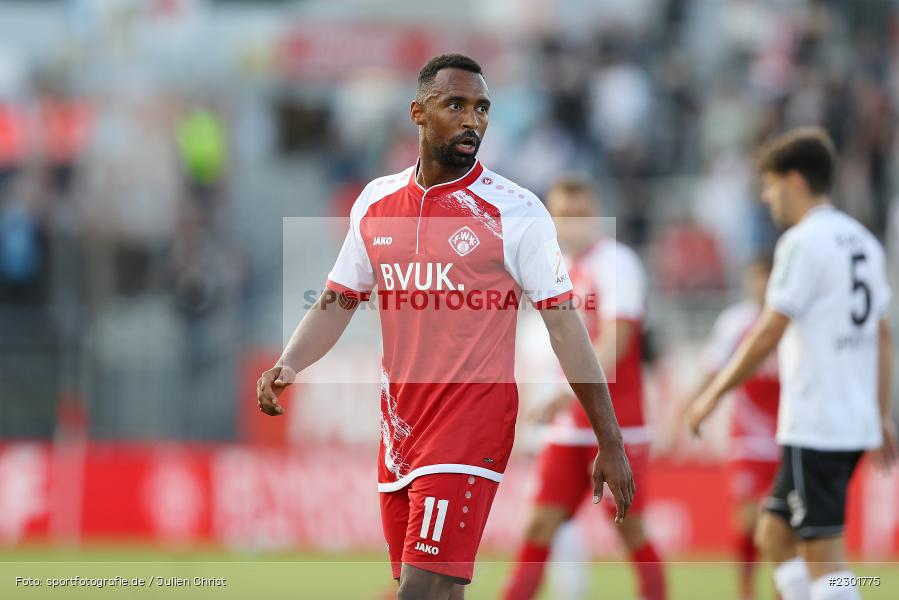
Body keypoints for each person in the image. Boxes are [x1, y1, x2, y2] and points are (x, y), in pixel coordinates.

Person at [256, 54, 634, 600]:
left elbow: (565, 328)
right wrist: (289, 362)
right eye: (455, 104)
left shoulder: (516, 211)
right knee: (440, 594)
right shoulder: (376, 202)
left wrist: (610, 438)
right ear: (417, 112)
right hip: (400, 430)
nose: (472, 120)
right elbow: (338, 301)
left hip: (470, 427)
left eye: (481, 108)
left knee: (418, 592)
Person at [686, 127, 896, 600]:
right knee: (773, 536)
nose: (766, 197)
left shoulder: (802, 242)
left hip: (816, 423)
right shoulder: (863, 240)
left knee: (826, 561)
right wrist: (880, 411)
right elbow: (882, 336)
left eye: (771, 184)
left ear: (795, 181)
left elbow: (768, 331)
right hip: (850, 419)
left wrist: (711, 396)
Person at [502, 177, 666, 600]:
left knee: (631, 531)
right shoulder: (556, 269)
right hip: (567, 428)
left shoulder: (617, 263)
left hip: (616, 426)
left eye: (580, 214)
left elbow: (618, 341)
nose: (572, 224)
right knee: (538, 526)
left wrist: (565, 393)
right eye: (564, 216)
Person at [686, 256, 780, 600]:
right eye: (756, 278)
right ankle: (746, 592)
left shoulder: (793, 322)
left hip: (789, 436)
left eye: (767, 278)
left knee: (785, 529)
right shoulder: (735, 323)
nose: (761, 286)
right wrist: (693, 406)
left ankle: (785, 591)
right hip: (748, 438)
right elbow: (713, 370)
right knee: (749, 522)